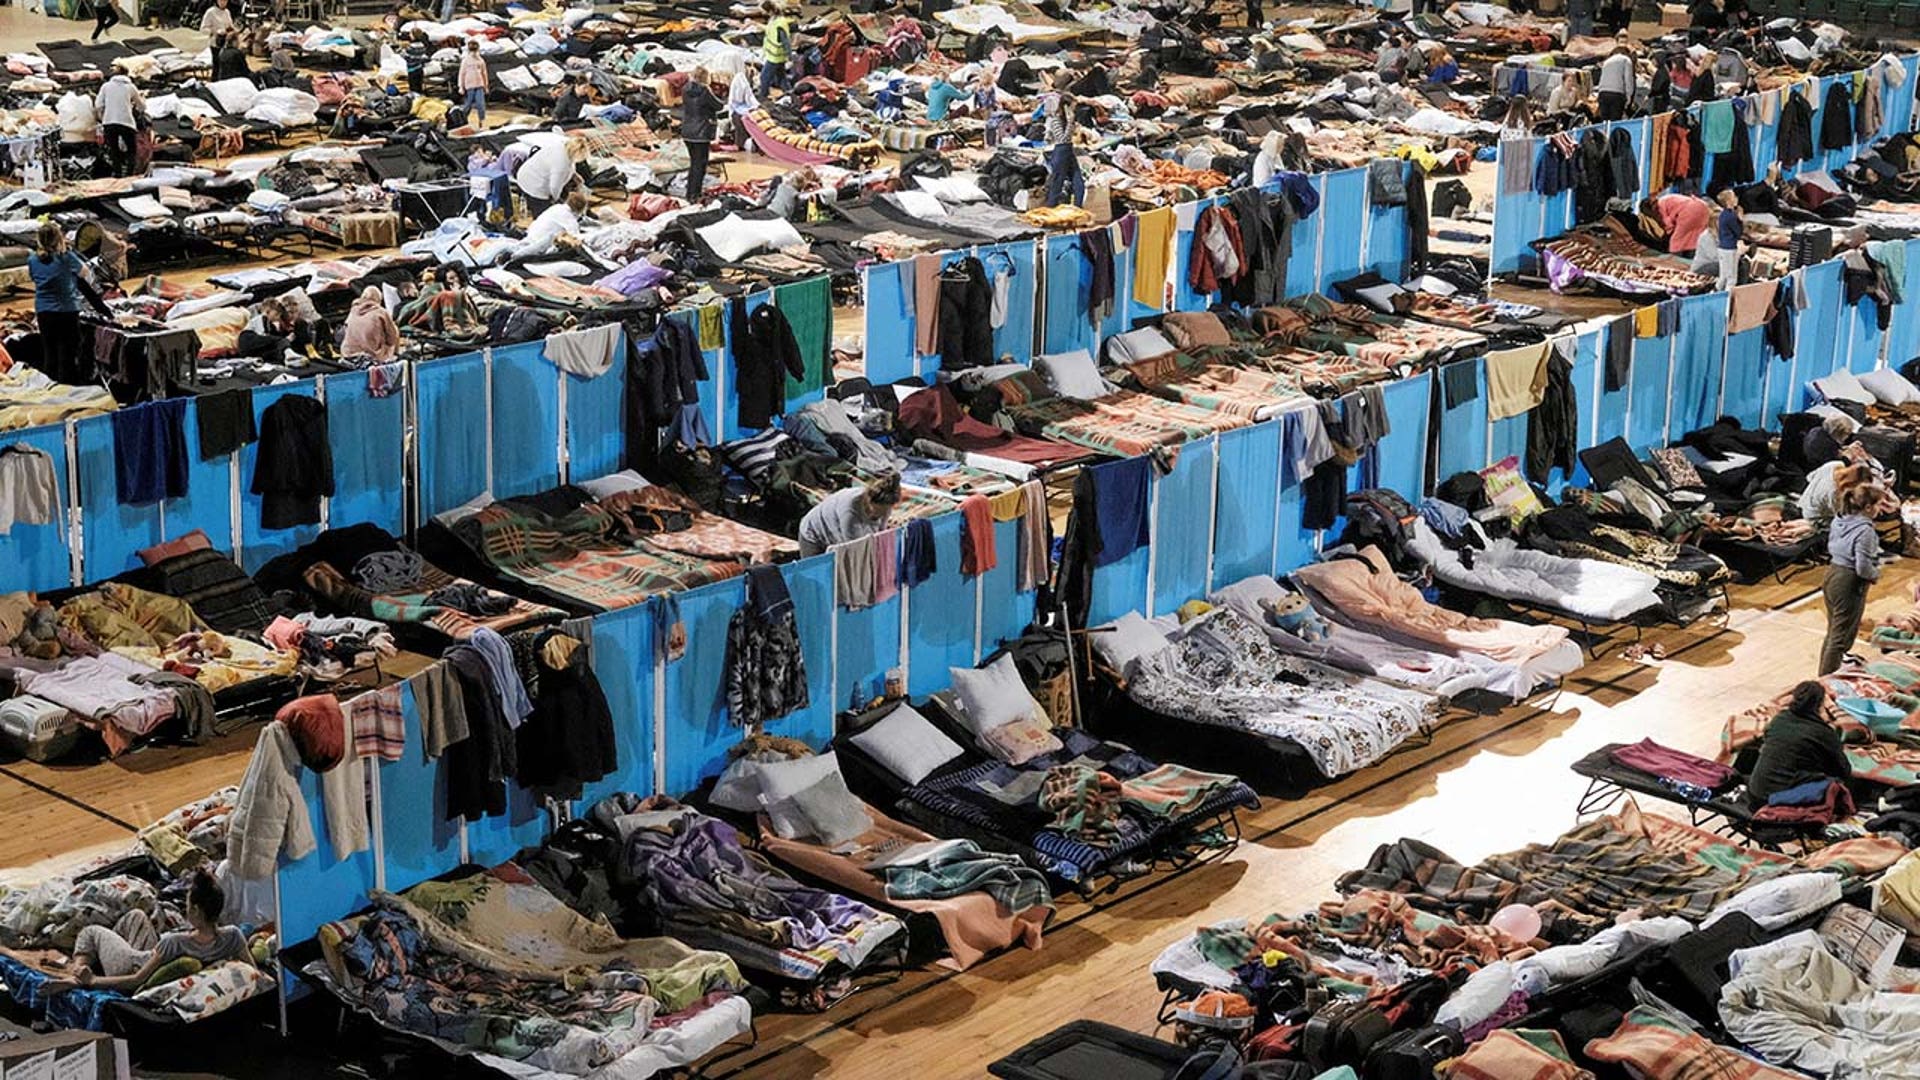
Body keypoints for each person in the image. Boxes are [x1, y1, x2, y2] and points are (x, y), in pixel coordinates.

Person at [48, 871, 254, 996]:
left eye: (188, 905)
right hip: (152, 955)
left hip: (131, 964)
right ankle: (103, 952)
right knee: (135, 916)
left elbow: (136, 980)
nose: (185, 908)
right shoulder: (233, 936)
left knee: (90, 931)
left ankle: (77, 972)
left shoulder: (175, 942)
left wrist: (92, 981)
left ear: (197, 911)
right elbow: (252, 968)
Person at [1746, 681, 1851, 804]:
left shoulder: (1779, 719)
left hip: (1754, 792)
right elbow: (1844, 770)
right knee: (1836, 784)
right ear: (1821, 705)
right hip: (1776, 800)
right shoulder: (1823, 732)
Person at [1820, 483, 1883, 675]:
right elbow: (1862, 567)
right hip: (1848, 582)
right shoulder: (1865, 530)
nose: (1880, 509)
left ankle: (1825, 674)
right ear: (1868, 507)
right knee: (1841, 638)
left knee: (1833, 632)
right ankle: (1825, 681)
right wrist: (1875, 575)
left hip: (1831, 574)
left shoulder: (1839, 520)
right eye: (1879, 504)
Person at [28, 223, 89, 386]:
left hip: (43, 311)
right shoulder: (66, 258)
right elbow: (85, 272)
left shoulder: (32, 260)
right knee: (67, 354)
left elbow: (34, 278)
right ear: (59, 239)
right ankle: (68, 389)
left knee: (50, 353)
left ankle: (50, 386)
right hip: (66, 310)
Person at [797, 473, 902, 556]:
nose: (879, 516)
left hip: (837, 533)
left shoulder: (885, 506)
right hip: (813, 534)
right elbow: (855, 551)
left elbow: (880, 535)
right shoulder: (849, 512)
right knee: (815, 577)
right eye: (876, 512)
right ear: (868, 501)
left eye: (883, 513)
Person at [508, 188, 588, 262]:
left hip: (531, 235)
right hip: (540, 244)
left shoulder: (556, 207)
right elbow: (576, 238)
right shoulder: (569, 218)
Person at [514, 136, 580, 217]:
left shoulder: (563, 146)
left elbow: (571, 163)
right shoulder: (561, 164)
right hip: (534, 185)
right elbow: (554, 187)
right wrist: (556, 200)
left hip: (529, 172)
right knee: (544, 216)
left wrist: (574, 174)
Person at [94, 73, 144, 178]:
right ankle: (129, 174)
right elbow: (142, 106)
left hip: (109, 122)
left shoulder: (106, 86)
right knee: (131, 150)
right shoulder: (130, 87)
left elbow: (98, 105)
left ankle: (117, 173)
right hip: (127, 122)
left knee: (113, 149)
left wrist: (102, 117)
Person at [682, 67, 720, 203]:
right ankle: (694, 194)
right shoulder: (705, 91)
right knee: (700, 164)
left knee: (694, 164)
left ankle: (690, 192)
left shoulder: (685, 89)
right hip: (701, 132)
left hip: (687, 130)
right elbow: (718, 105)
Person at [1043, 90, 1083, 207]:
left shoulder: (1068, 121)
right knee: (1057, 182)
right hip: (1061, 150)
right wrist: (1070, 122)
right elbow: (1062, 139)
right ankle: (1051, 207)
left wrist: (1072, 123)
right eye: (1072, 107)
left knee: (1078, 179)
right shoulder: (1056, 120)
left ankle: (1078, 205)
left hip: (1068, 149)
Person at [340, 287, 400, 362]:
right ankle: (396, 358)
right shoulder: (381, 312)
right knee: (395, 331)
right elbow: (392, 337)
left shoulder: (353, 310)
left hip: (347, 353)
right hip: (372, 355)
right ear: (378, 299)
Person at [759, 2, 793, 99]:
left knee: (764, 77)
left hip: (775, 57)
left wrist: (789, 58)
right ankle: (789, 94)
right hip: (775, 55)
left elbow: (785, 42)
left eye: (764, 11)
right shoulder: (774, 20)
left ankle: (762, 97)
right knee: (781, 77)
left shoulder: (779, 24)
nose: (763, 13)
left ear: (770, 11)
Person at [1713, 188, 1742, 290]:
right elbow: (1738, 233)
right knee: (1731, 278)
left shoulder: (1723, 214)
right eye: (1734, 197)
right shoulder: (1731, 216)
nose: (1736, 198)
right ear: (1729, 201)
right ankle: (1728, 300)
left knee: (1723, 276)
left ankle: (1713, 293)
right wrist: (1740, 219)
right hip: (1730, 249)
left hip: (1722, 247)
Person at [1597, 45, 1634, 120]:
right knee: (1615, 121)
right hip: (1617, 93)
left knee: (1604, 120)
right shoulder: (1626, 60)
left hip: (1603, 93)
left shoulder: (1607, 61)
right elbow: (1628, 78)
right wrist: (1629, 96)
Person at [458, 39, 489, 127]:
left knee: (481, 105)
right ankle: (462, 119)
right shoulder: (465, 61)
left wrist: (486, 86)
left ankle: (481, 120)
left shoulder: (481, 61)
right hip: (469, 86)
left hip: (479, 85)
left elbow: (484, 73)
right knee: (467, 105)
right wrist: (461, 86)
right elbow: (462, 74)